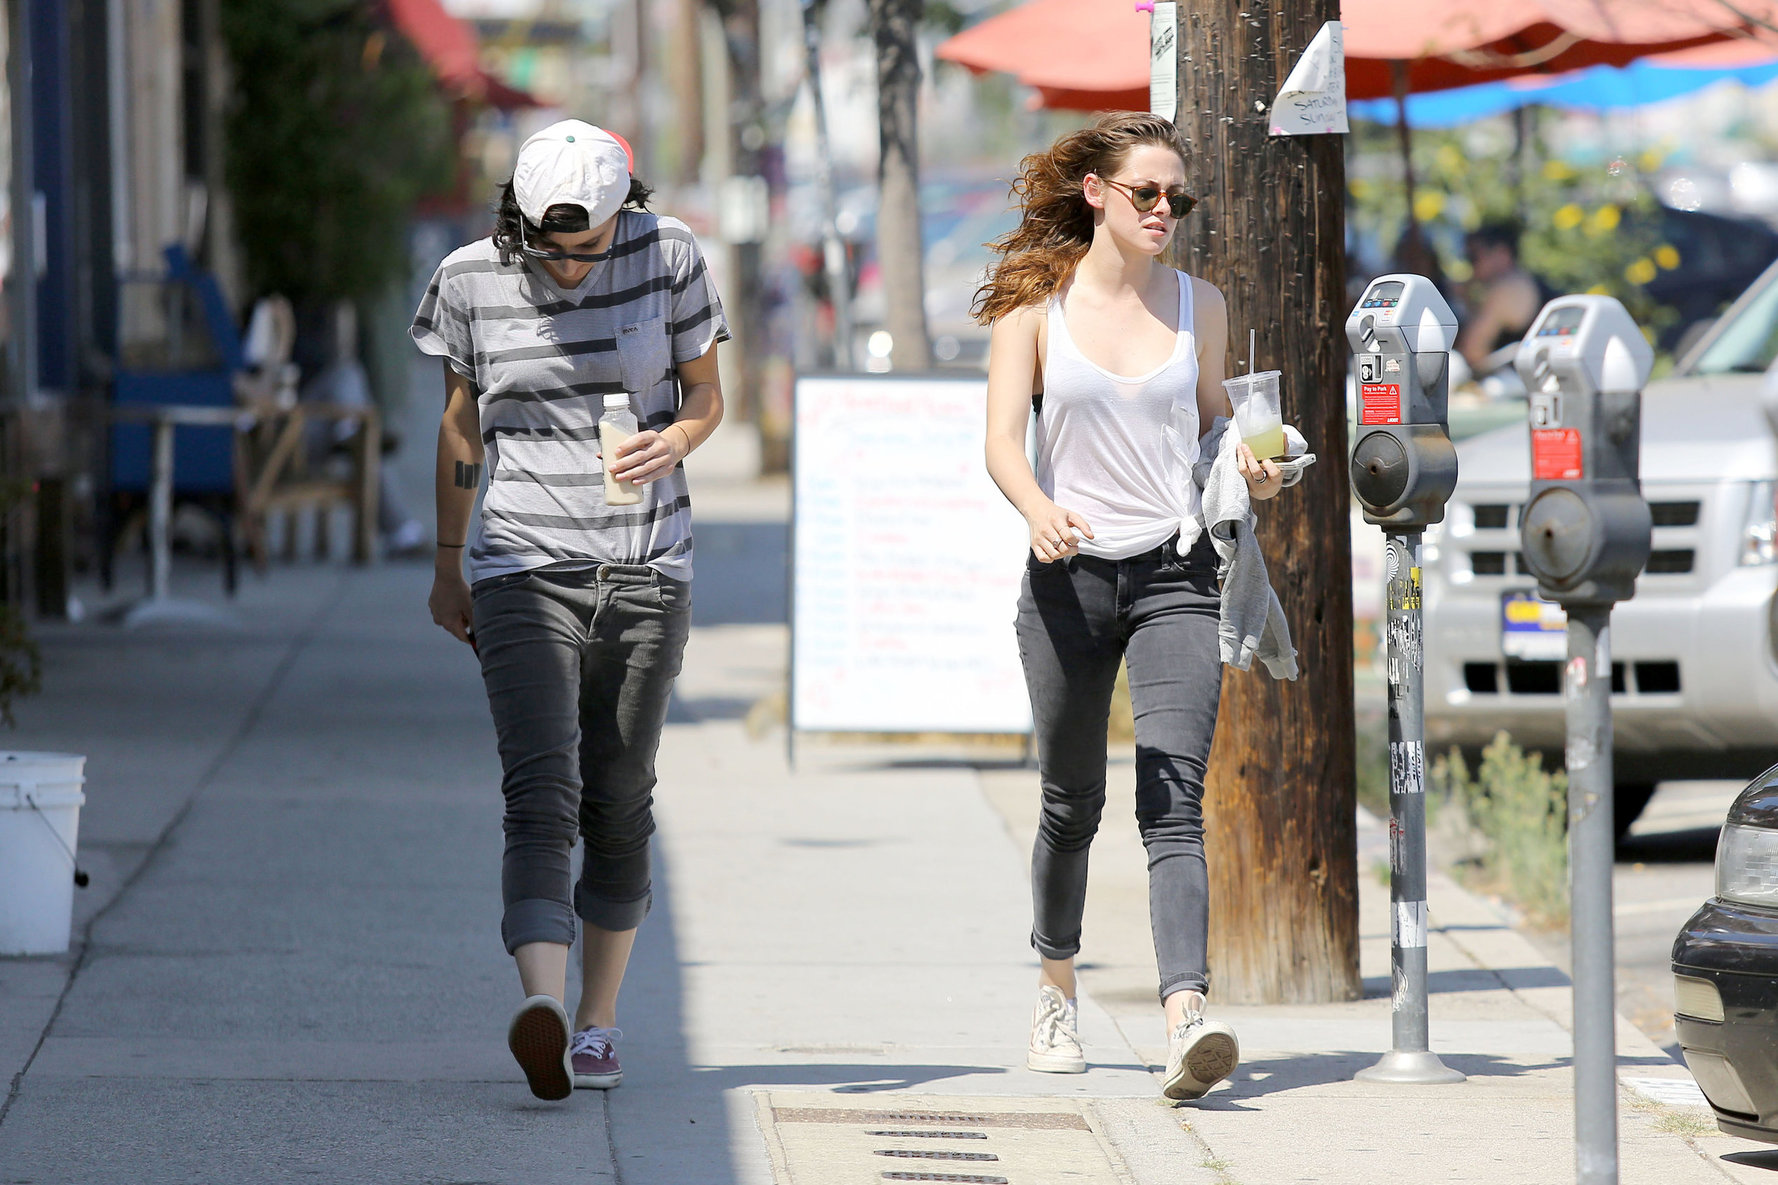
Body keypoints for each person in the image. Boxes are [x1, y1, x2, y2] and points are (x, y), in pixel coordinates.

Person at [410, 120, 728, 1100]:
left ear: (621, 214)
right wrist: (449, 562)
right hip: (519, 563)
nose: (569, 267)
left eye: (586, 246)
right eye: (550, 247)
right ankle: (541, 1007)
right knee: (539, 789)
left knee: (619, 797)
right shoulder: (470, 279)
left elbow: (706, 396)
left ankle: (597, 1023)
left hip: (644, 563)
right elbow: (462, 422)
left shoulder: (668, 255)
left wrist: (673, 441)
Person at [976, 111, 1290, 1101]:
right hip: (1066, 579)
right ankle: (1056, 986)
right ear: (1096, 194)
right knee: (1070, 804)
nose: (1165, 212)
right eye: (1146, 194)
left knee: (1173, 804)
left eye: (1177, 199)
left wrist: (1253, 469)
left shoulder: (1201, 305)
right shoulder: (1034, 307)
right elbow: (997, 444)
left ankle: (1183, 1016)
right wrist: (1035, 509)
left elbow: (1216, 436)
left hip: (1175, 575)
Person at [1456, 219, 1544, 373]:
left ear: (1502, 253)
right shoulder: (1523, 281)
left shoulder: (1507, 289)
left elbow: (1473, 352)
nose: (1472, 268)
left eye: (1473, 257)